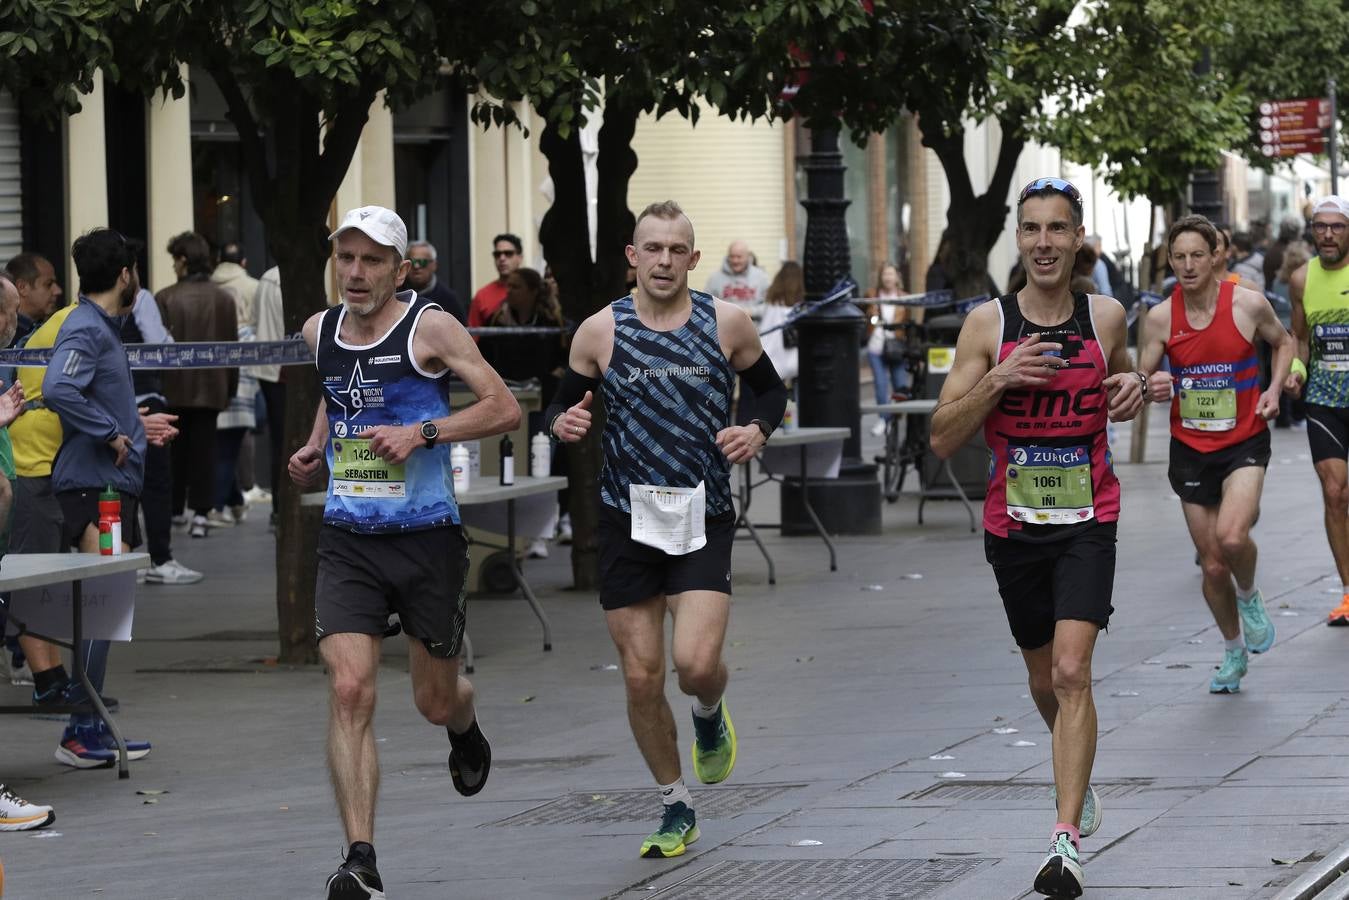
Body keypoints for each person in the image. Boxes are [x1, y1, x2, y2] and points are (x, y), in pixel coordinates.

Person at [287, 206, 519, 900]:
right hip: (349, 538)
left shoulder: (431, 327)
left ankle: (464, 720)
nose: (355, 274)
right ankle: (360, 858)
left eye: (372, 261)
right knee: (350, 689)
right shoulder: (317, 330)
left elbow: (502, 408)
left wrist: (423, 432)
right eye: (346, 259)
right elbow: (339, 395)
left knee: (431, 699)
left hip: (424, 538)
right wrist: (315, 448)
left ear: (401, 270)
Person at [545, 200, 787, 859]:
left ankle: (708, 714)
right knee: (640, 676)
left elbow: (770, 393)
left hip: (700, 518)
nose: (662, 260)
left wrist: (756, 428)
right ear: (631, 255)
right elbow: (561, 402)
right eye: (650, 248)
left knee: (695, 664)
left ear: (693, 259)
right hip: (626, 522)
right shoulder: (600, 331)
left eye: (675, 249)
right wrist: (560, 423)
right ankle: (674, 804)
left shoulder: (725, 323)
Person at [929, 177, 1144, 897]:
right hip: (1012, 525)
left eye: (1057, 229)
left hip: (1089, 519)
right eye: (1031, 230)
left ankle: (1063, 840)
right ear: (1015, 240)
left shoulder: (1104, 315)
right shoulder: (986, 326)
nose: (1044, 243)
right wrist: (997, 381)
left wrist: (1134, 387)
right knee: (1040, 676)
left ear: (1077, 238)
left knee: (1070, 673)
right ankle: (1073, 768)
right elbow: (939, 437)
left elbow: (1125, 382)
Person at [1137, 215, 1291, 693]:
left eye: (1197, 255)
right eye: (1179, 257)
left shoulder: (1247, 304)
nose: (1187, 265)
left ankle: (1249, 596)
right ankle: (1232, 651)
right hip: (1190, 449)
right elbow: (1139, 380)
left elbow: (1283, 343)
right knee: (1211, 564)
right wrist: (1150, 385)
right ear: (1170, 260)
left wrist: (1274, 389)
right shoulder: (1161, 317)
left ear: (1216, 256)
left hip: (1244, 439)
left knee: (1231, 538)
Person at [42, 228, 155, 768]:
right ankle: (80, 732)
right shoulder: (87, 329)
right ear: (126, 275)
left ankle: (87, 726)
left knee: (106, 609)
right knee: (103, 608)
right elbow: (58, 388)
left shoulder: (99, 327)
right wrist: (112, 432)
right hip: (95, 487)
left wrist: (135, 425)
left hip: (104, 484)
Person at [1285, 196, 1349, 626]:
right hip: (1324, 399)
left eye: (1337, 227)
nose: (1328, 234)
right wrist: (1295, 369)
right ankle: (1348, 593)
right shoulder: (1300, 278)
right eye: (1320, 226)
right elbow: (1300, 337)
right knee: (1334, 492)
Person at [479, 266, 568, 558]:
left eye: (516, 287)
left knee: (543, 465)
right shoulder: (497, 319)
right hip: (509, 401)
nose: (510, 292)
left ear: (531, 291)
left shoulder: (549, 320)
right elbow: (485, 360)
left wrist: (551, 380)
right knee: (513, 466)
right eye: (509, 287)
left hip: (541, 402)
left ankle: (542, 532)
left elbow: (563, 360)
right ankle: (517, 534)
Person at [157, 232, 238, 538]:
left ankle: (175, 509)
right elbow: (232, 349)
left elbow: (159, 350)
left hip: (173, 387)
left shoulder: (165, 297)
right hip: (212, 386)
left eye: (175, 259)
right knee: (205, 452)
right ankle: (202, 513)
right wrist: (230, 387)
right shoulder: (224, 299)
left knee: (174, 452)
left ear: (183, 260)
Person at [864, 262, 911, 436]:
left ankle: (894, 421)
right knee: (880, 385)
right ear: (880, 277)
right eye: (885, 274)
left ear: (897, 276)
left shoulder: (905, 297)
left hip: (896, 347)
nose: (888, 278)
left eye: (891, 274)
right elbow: (865, 317)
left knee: (900, 387)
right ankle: (883, 419)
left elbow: (907, 324)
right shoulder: (871, 295)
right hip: (876, 346)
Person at [253, 265, 285, 520]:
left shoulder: (265, 278)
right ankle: (282, 505)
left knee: (278, 441)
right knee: (286, 442)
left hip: (268, 369)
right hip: (283, 370)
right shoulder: (284, 278)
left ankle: (278, 506)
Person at [702, 240, 771, 318]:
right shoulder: (715, 278)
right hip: (725, 327)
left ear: (748, 257)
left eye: (739, 257)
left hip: (754, 327)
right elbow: (706, 304)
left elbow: (770, 306)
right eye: (732, 256)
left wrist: (750, 312)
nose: (735, 260)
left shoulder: (761, 277)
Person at [467, 233, 523, 328]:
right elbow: (473, 337)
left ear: (520, 258)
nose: (502, 258)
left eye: (508, 253)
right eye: (497, 254)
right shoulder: (482, 296)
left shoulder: (532, 292)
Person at [405, 240, 466, 324]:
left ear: (434, 265)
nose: (416, 266)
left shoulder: (449, 299)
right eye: (412, 262)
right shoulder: (396, 294)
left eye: (422, 262)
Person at [5, 252, 63, 339]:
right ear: (22, 287)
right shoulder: (5, 335)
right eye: (48, 284)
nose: (58, 291)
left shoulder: (50, 327)